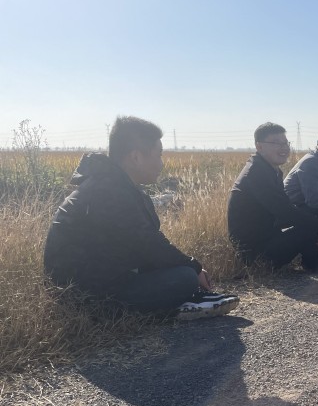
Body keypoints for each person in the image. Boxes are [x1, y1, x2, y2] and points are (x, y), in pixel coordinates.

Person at [43, 116, 239, 320]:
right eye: (159, 155)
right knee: (185, 278)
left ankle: (183, 302)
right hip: (87, 296)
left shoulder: (115, 185)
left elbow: (145, 243)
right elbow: (149, 245)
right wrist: (194, 268)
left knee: (181, 272)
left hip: (104, 280)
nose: (162, 164)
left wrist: (187, 265)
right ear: (136, 157)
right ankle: (174, 307)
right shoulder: (109, 192)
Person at [227, 123, 318, 274]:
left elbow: (285, 208)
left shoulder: (268, 169)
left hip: (267, 237)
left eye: (285, 143)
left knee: (309, 220)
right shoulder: (256, 173)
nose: (283, 148)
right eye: (276, 143)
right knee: (310, 222)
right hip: (256, 254)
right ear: (259, 146)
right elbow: (284, 211)